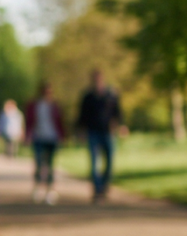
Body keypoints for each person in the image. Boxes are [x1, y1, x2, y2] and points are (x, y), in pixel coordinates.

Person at [77, 68, 125, 202]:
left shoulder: (111, 94)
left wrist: (121, 126)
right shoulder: (88, 97)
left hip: (108, 132)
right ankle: (97, 190)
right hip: (93, 132)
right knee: (94, 163)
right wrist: (81, 130)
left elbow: (118, 111)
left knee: (109, 162)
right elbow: (82, 115)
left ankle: (104, 186)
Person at [25, 82, 66, 204]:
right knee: (38, 163)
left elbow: (60, 122)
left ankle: (50, 190)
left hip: (52, 138)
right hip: (38, 137)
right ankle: (38, 188)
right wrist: (28, 135)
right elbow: (29, 121)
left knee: (50, 165)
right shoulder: (34, 105)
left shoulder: (55, 106)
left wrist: (62, 136)